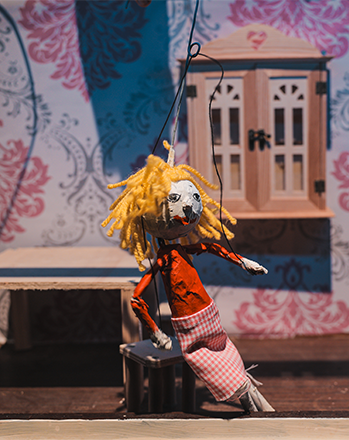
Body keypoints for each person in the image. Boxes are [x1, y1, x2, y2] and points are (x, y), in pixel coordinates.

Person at [102, 141, 274, 412]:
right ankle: (248, 396)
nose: (188, 207)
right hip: (189, 323)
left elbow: (212, 247)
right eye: (173, 200)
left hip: (208, 314)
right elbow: (137, 299)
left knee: (226, 352)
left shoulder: (179, 252)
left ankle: (250, 395)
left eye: (193, 197)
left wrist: (244, 262)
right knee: (206, 360)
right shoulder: (164, 258)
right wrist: (155, 332)